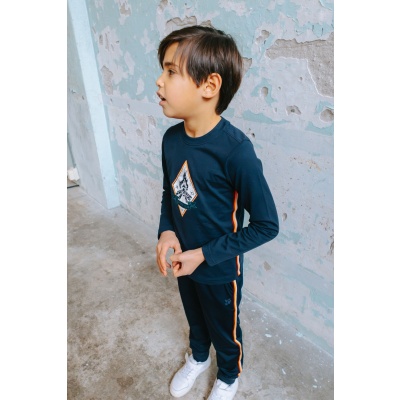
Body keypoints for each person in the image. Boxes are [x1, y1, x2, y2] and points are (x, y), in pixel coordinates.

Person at [155, 25, 279, 400]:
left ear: (209, 85)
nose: (159, 82)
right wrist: (167, 231)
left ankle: (228, 374)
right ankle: (198, 357)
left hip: (220, 269)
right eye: (162, 71)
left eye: (171, 72)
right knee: (195, 318)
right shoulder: (171, 140)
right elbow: (171, 194)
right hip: (183, 260)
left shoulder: (235, 151)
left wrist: (205, 255)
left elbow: (266, 225)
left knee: (224, 328)